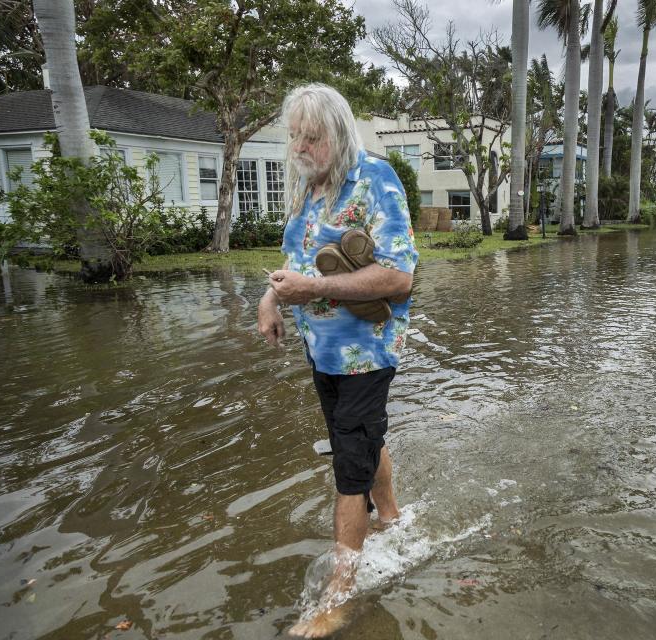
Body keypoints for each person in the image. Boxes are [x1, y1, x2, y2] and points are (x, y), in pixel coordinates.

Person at [256, 83, 418, 638]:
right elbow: (291, 262)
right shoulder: (305, 191)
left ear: (339, 134)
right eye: (295, 136)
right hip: (321, 351)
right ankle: (393, 517)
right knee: (364, 438)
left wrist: (313, 285)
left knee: (348, 469)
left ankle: (338, 596)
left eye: (313, 137)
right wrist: (271, 298)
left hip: (368, 351)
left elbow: (398, 276)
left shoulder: (375, 179)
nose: (301, 147)